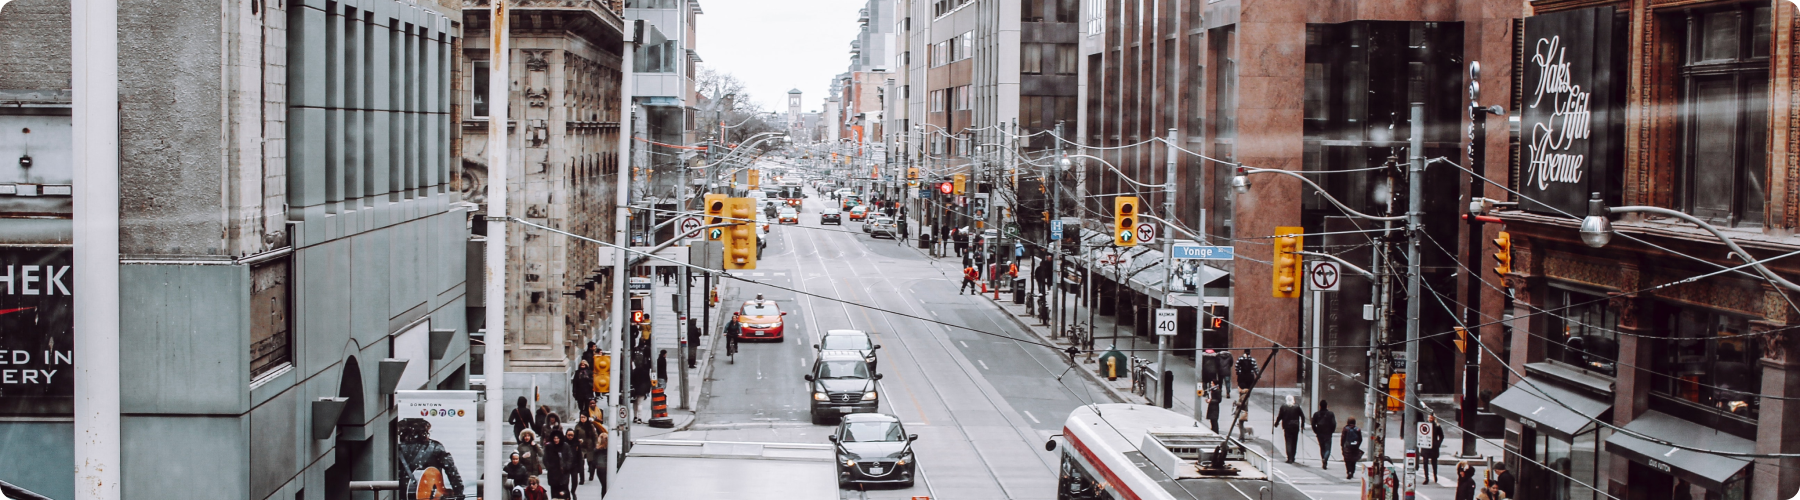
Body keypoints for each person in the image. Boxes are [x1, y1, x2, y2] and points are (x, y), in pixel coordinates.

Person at [394, 418, 465, 499]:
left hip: (403, 495)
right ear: (424, 432)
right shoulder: (435, 447)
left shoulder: (396, 449)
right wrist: (459, 493)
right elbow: (452, 472)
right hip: (432, 494)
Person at [1277, 395, 1304, 464]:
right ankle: (1293, 457)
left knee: (1288, 442)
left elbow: (1280, 416)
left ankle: (1289, 458)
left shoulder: (1283, 407)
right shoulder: (1297, 407)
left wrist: (1276, 423)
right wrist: (1302, 425)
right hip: (1295, 426)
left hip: (1287, 426)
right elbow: (1302, 416)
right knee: (1294, 442)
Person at [544, 432, 570, 500]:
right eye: (554, 438)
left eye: (557, 438)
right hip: (553, 473)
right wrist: (549, 467)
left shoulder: (565, 446)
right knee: (554, 493)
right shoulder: (549, 447)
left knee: (564, 492)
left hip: (563, 473)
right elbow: (545, 458)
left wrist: (566, 466)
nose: (556, 440)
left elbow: (570, 457)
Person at [1312, 400, 1337, 468]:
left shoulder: (1316, 414)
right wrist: (1332, 431)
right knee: (1328, 448)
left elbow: (1313, 424)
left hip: (1320, 433)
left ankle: (1323, 458)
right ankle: (1325, 458)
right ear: (1327, 406)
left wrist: (1316, 431)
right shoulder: (1331, 414)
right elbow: (1334, 424)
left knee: (1322, 447)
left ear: (1319, 406)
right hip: (1328, 433)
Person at [1423, 414, 1445, 483]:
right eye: (1429, 417)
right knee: (1425, 462)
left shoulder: (1437, 426)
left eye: (1431, 418)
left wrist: (1438, 443)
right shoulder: (1424, 425)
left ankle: (1435, 476)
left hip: (1434, 446)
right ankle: (1426, 478)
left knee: (1434, 463)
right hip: (1425, 446)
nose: (1430, 419)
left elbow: (1441, 436)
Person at [562, 429, 584, 499]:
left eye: (572, 435)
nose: (570, 437)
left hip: (574, 465)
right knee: (565, 481)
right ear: (566, 435)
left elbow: (579, 455)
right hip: (566, 465)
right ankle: (567, 493)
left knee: (575, 481)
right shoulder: (563, 443)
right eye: (569, 435)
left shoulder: (576, 443)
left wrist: (580, 466)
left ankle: (573, 491)